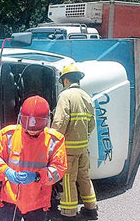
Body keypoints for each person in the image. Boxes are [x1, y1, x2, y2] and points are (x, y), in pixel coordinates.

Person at [0, 95, 67, 221]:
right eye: (28, 128)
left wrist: (37, 176)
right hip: (9, 199)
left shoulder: (55, 140)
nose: (32, 132)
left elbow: (59, 168)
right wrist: (6, 171)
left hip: (38, 202)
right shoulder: (7, 135)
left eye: (36, 129)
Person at [52, 64, 97, 221]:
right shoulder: (86, 96)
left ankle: (69, 213)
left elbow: (60, 121)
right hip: (83, 148)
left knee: (68, 179)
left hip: (68, 148)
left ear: (65, 80)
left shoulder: (65, 96)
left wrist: (51, 142)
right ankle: (91, 209)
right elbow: (92, 124)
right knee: (84, 177)